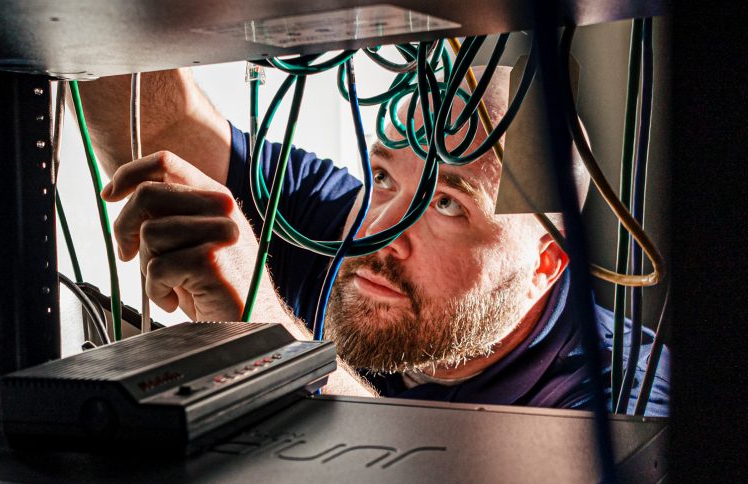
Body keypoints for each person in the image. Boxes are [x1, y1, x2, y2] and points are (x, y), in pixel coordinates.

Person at [78, 65, 668, 415]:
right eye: (383, 176)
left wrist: (269, 341)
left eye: (446, 204)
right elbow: (159, 123)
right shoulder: (335, 223)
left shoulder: (625, 398)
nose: (381, 229)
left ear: (547, 261)